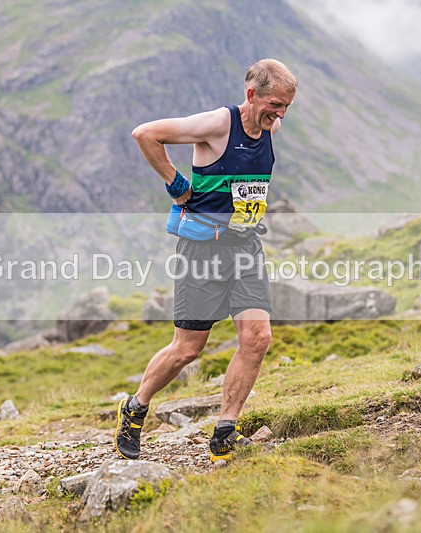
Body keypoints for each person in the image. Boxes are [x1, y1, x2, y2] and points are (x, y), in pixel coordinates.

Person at [117, 59, 297, 462]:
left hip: (245, 246)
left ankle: (225, 432)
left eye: (287, 106)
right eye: (275, 104)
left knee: (257, 337)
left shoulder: (272, 127)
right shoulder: (218, 124)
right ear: (251, 95)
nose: (281, 114)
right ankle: (136, 407)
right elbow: (145, 134)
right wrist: (177, 185)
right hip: (202, 251)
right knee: (187, 349)